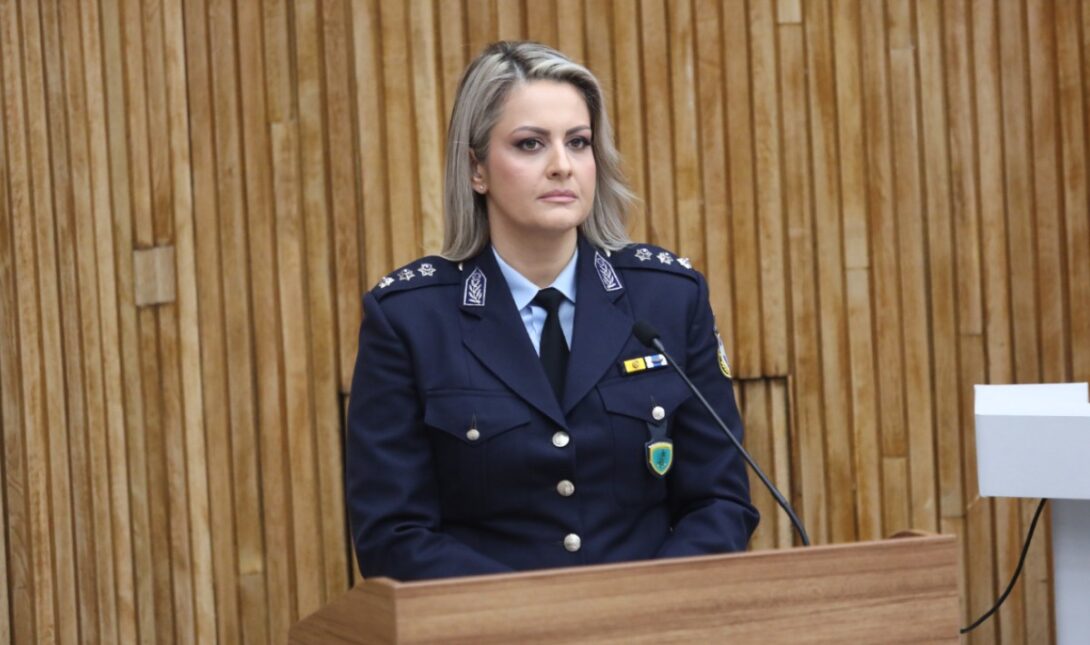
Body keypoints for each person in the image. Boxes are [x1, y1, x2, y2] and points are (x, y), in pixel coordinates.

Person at [346, 41, 758, 581]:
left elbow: (721, 502)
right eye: (530, 144)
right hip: (486, 622)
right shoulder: (410, 319)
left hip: (653, 616)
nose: (562, 166)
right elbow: (393, 535)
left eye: (578, 143)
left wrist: (644, 606)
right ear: (476, 168)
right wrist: (535, 615)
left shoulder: (668, 299)